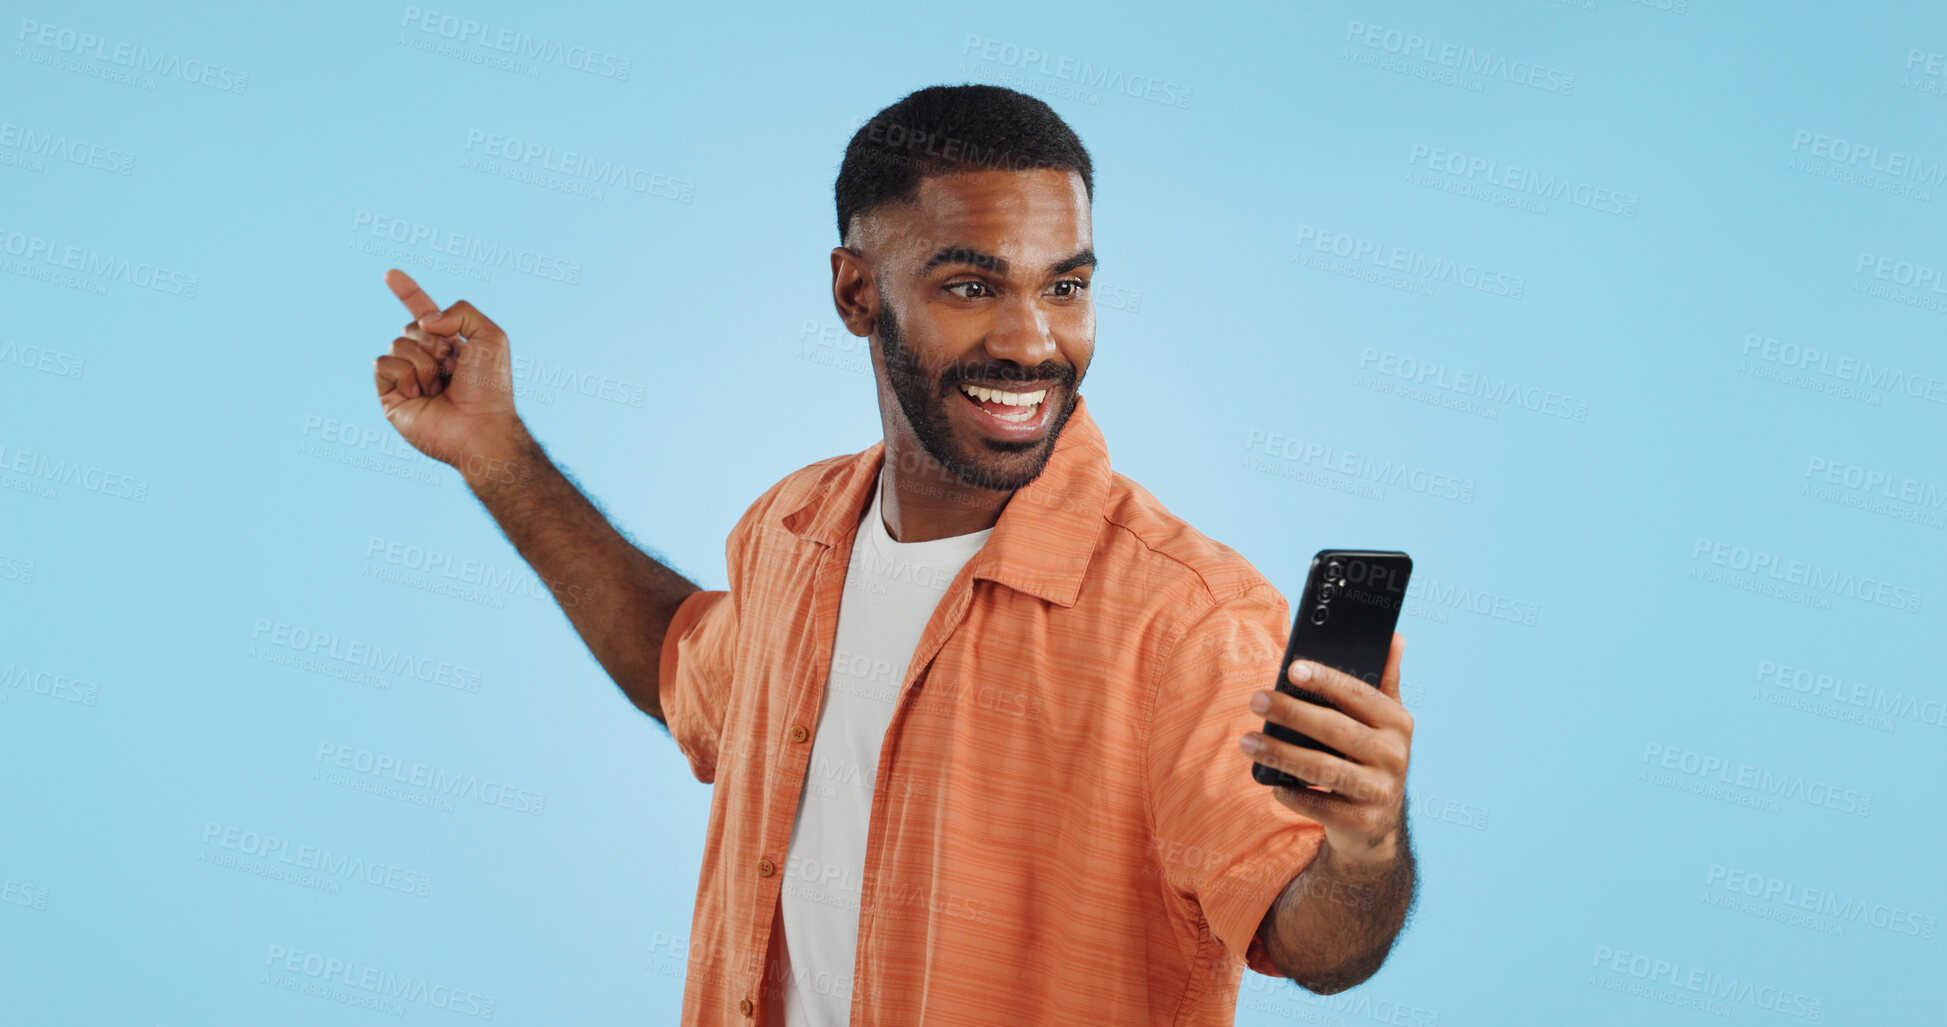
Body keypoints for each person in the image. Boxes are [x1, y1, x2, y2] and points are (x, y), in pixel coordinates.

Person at [370, 83, 1417, 1026]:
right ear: (855, 292)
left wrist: (1362, 851)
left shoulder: (1185, 618)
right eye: (972, 286)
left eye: (1066, 287)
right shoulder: (795, 530)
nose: (1033, 341)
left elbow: (1313, 937)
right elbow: (681, 666)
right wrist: (497, 454)